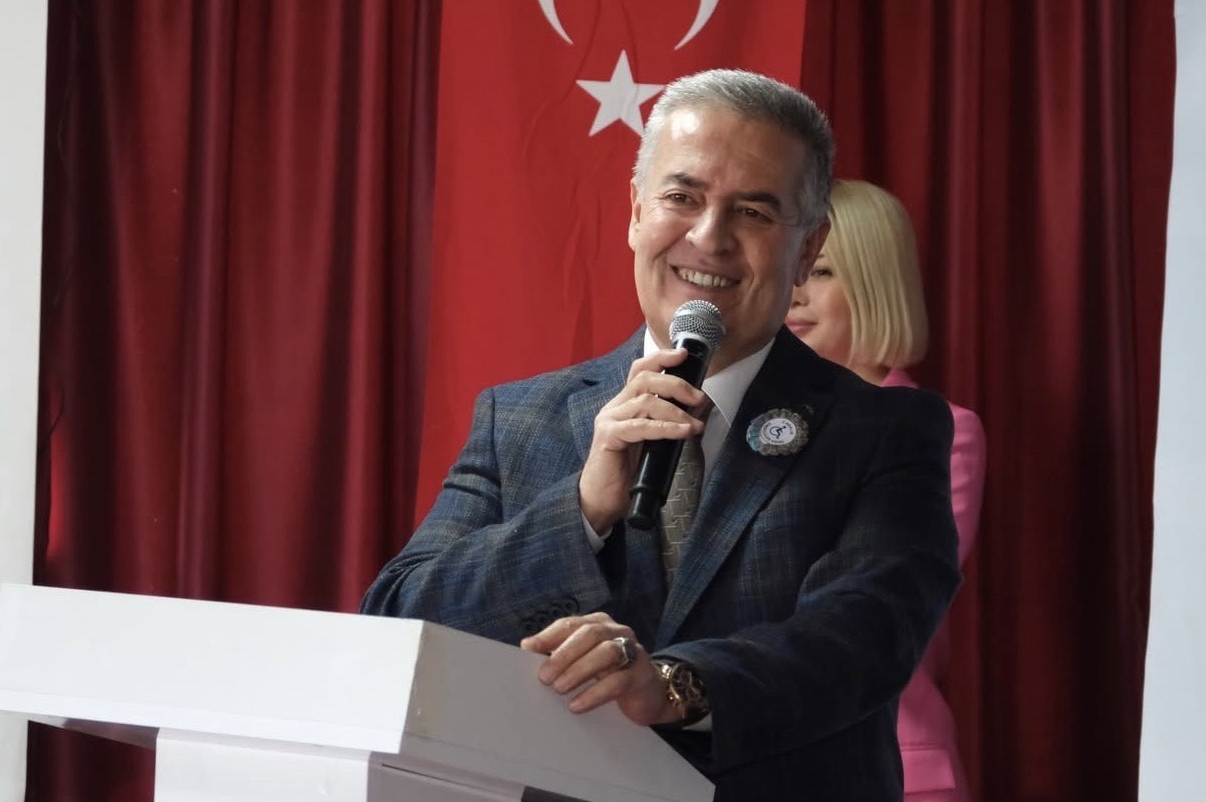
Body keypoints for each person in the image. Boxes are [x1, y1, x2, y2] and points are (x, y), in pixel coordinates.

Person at [361, 70, 961, 801]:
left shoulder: (885, 430)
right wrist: (581, 509)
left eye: (753, 211)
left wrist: (676, 685)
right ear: (636, 212)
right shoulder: (517, 418)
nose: (709, 238)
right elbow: (398, 622)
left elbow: (869, 633)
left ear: (808, 249)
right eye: (682, 198)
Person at [786, 179, 986, 802]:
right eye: (789, 268)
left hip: (893, 771)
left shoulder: (945, 431)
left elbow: (867, 600)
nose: (794, 293)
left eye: (820, 271)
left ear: (874, 282)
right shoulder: (742, 420)